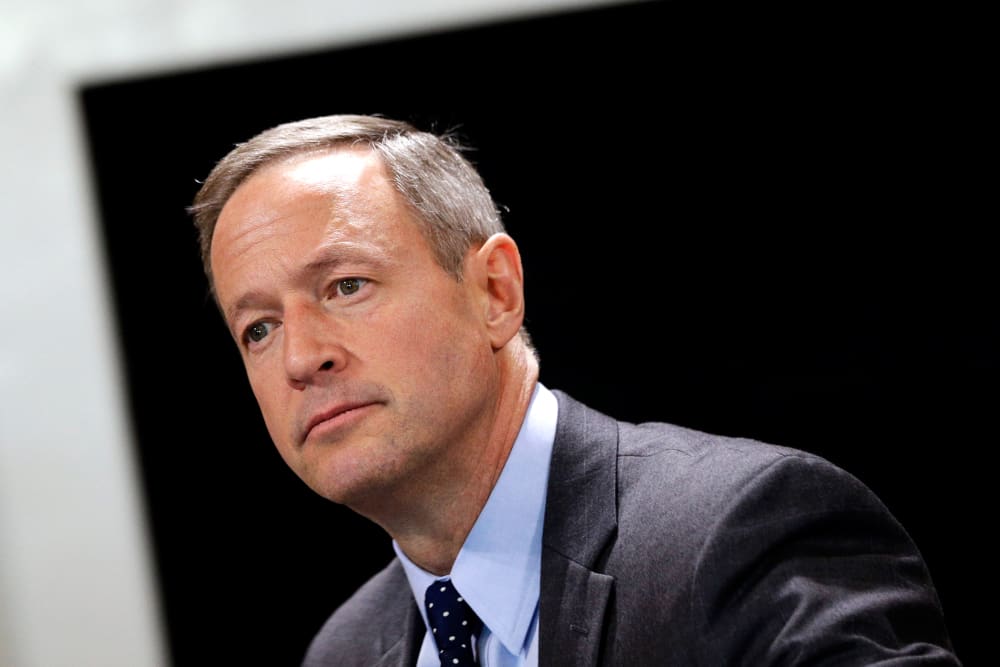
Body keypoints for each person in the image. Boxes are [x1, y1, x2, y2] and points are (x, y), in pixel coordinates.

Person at [189, 114, 960, 666]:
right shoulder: (345, 651)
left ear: (494, 291)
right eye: (258, 328)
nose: (301, 358)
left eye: (346, 285)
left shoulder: (737, 538)